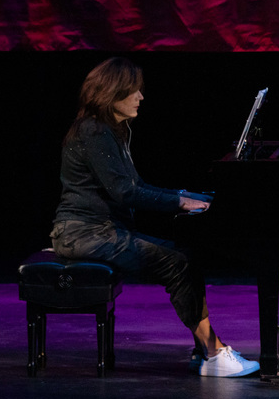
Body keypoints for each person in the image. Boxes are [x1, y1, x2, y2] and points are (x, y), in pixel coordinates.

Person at [49, 57, 260, 378]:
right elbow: (125, 192)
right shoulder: (93, 132)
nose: (141, 97)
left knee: (184, 256)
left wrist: (192, 197)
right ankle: (215, 353)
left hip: (97, 232)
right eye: (134, 90)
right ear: (112, 93)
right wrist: (180, 202)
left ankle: (204, 351)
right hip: (84, 234)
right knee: (178, 262)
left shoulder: (108, 131)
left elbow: (136, 187)